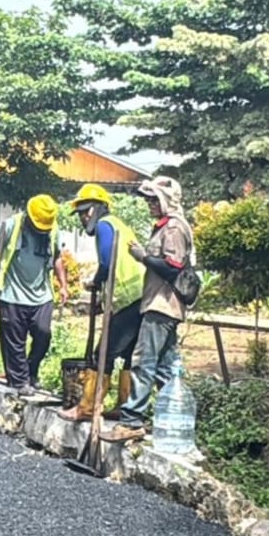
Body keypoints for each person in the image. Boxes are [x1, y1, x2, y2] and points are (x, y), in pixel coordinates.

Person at [100, 176, 194, 443]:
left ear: (166, 200)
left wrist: (143, 257)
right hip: (161, 305)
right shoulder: (166, 226)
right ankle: (173, 419)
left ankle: (131, 421)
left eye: (154, 199)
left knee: (143, 362)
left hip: (162, 305)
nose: (149, 204)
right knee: (165, 368)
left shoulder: (174, 228)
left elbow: (172, 266)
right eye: (149, 199)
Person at [59, 184, 146, 422]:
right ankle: (124, 405)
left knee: (103, 354)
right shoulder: (120, 225)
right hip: (139, 297)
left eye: (85, 211)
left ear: (97, 209)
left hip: (127, 298)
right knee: (128, 354)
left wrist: (95, 283)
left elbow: (107, 262)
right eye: (80, 213)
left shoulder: (105, 226)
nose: (83, 217)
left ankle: (86, 408)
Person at [0, 194, 68, 396]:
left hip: (42, 295)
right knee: (14, 341)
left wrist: (63, 285)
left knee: (43, 333)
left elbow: (57, 258)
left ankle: (31, 371)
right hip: (12, 295)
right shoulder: (11, 226)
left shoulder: (53, 231)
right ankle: (19, 381)